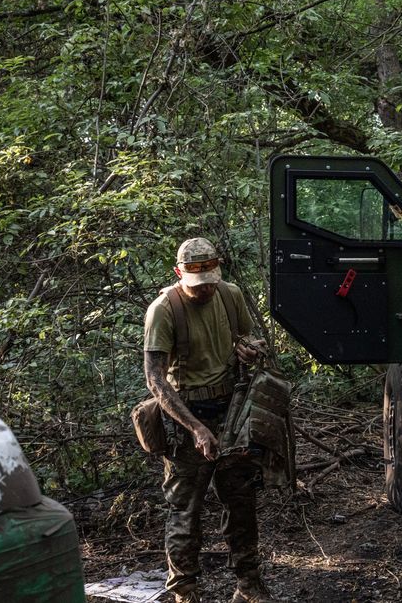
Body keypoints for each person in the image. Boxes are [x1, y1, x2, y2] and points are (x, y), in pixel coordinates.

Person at [143, 237, 277, 603]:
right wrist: (196, 428)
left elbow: (250, 339)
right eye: (196, 286)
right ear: (179, 274)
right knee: (185, 510)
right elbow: (155, 380)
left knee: (241, 501)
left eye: (210, 284)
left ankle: (248, 584)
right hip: (187, 419)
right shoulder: (164, 310)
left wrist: (250, 350)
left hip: (232, 413)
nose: (204, 292)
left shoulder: (230, 295)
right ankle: (185, 592)